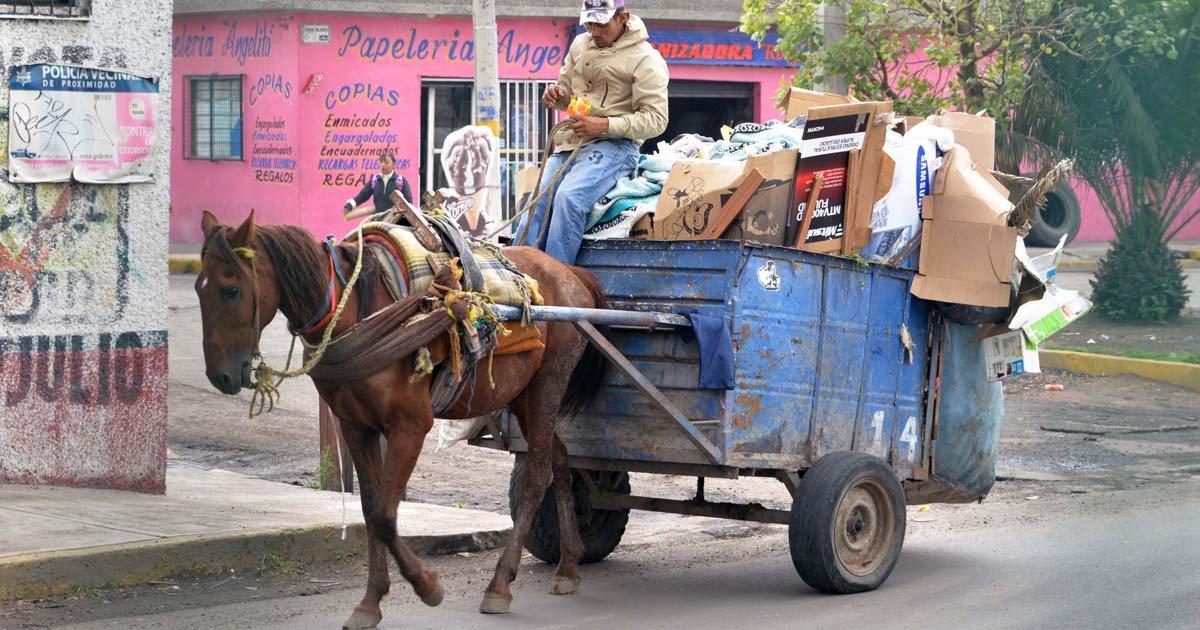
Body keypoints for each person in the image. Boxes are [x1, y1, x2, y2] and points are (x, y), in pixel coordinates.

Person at [515, 0, 669, 264]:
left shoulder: (647, 59)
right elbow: (569, 96)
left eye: (601, 23)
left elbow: (656, 120)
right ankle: (514, 272)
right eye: (589, 23)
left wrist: (605, 125)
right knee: (537, 200)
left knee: (568, 198)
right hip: (571, 143)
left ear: (623, 18)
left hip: (617, 148)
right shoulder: (579, 45)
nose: (594, 31)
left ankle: (556, 277)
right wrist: (558, 96)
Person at [343, 151, 414, 219]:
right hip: (378, 220)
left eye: (386, 162)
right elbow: (362, 196)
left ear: (393, 165)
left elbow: (409, 203)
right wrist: (350, 205)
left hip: (395, 221)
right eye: (381, 162)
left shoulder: (401, 181)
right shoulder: (375, 180)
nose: (383, 165)